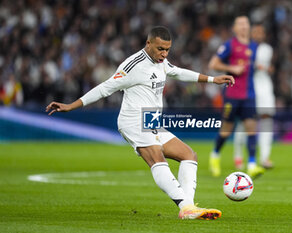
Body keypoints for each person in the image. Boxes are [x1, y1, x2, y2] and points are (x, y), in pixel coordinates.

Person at [46, 26, 234, 220]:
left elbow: (177, 72)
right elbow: (104, 88)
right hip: (133, 120)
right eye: (160, 48)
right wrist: (71, 106)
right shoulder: (133, 66)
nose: (164, 54)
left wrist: (213, 80)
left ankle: (189, 207)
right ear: (148, 43)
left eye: (167, 49)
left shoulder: (161, 62)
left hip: (150, 120)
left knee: (189, 155)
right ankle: (186, 208)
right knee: (156, 156)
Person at [208, 16, 265, 178]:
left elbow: (249, 65)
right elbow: (213, 64)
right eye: (240, 24)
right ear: (234, 28)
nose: (243, 26)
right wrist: (231, 67)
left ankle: (252, 164)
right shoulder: (229, 45)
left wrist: (257, 67)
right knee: (226, 129)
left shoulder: (254, 46)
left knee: (251, 128)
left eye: (246, 23)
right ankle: (215, 155)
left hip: (249, 94)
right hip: (232, 94)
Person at [233, 24, 275, 169]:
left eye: (261, 32)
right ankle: (238, 156)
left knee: (266, 119)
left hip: (264, 87)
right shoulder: (243, 47)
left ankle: (264, 157)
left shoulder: (267, 49)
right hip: (247, 86)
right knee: (245, 121)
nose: (259, 34)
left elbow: (261, 65)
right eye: (256, 32)